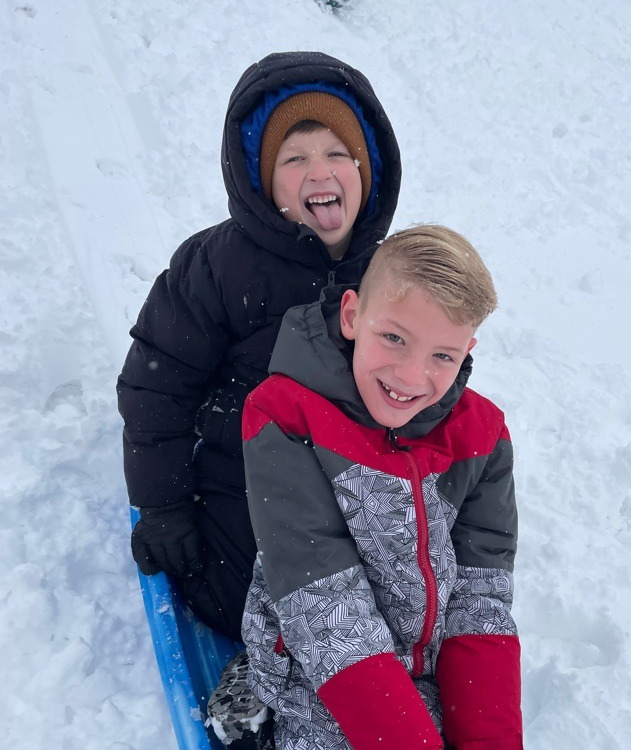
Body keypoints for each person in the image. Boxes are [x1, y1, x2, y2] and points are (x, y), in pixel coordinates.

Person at [117, 51, 401, 640]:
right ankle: (270, 672)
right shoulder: (218, 266)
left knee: (396, 590)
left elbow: (429, 373)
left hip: (349, 478)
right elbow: (156, 384)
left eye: (336, 153)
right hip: (241, 472)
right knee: (243, 590)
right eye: (294, 159)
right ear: (261, 182)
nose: (318, 172)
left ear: (366, 169)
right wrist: (164, 506)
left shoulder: (393, 273)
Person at [238, 225, 523, 750]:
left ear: (468, 350)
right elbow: (325, 607)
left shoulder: (482, 436)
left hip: (425, 663)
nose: (411, 375)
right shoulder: (285, 416)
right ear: (352, 316)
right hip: (314, 666)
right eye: (394, 337)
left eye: (443, 355)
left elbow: (480, 594)